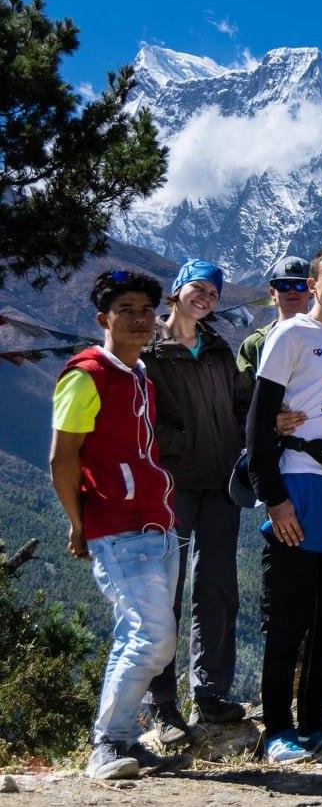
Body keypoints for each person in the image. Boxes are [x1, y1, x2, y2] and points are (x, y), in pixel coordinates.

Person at [49, 269, 189, 779]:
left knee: (145, 637)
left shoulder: (138, 375)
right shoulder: (86, 375)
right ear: (102, 318)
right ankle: (106, 744)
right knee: (152, 637)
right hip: (118, 525)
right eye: (125, 310)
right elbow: (62, 458)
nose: (139, 319)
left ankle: (123, 738)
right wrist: (78, 522)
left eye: (146, 310)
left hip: (158, 523)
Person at [246, 247, 322, 764]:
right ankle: (278, 729)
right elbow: (259, 421)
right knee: (288, 617)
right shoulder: (290, 334)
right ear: (313, 284)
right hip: (299, 484)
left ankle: (316, 725)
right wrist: (274, 497)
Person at [140, 259, 246, 744]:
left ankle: (211, 693)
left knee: (217, 588)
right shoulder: (150, 350)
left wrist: (243, 437)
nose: (204, 298)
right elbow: (140, 415)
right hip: (172, 485)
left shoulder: (219, 349)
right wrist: (178, 444)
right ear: (178, 290)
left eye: (213, 293)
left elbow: (240, 403)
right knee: (166, 591)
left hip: (221, 484)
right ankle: (161, 704)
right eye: (197, 288)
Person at [234, 256, 312, 405]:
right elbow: (241, 399)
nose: (292, 291)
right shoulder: (255, 345)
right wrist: (272, 415)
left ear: (312, 290)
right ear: (272, 293)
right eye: (283, 285)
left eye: (300, 285)